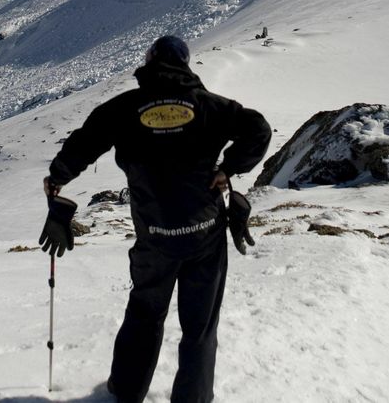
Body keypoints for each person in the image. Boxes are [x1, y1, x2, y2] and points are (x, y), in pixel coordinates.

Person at [42, 35, 271, 403]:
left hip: (155, 235)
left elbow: (86, 141)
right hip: (204, 233)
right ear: (185, 64)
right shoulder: (210, 107)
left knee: (145, 314)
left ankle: (126, 389)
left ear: (149, 63)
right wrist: (229, 169)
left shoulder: (124, 108)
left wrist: (58, 177)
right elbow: (258, 129)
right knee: (200, 326)